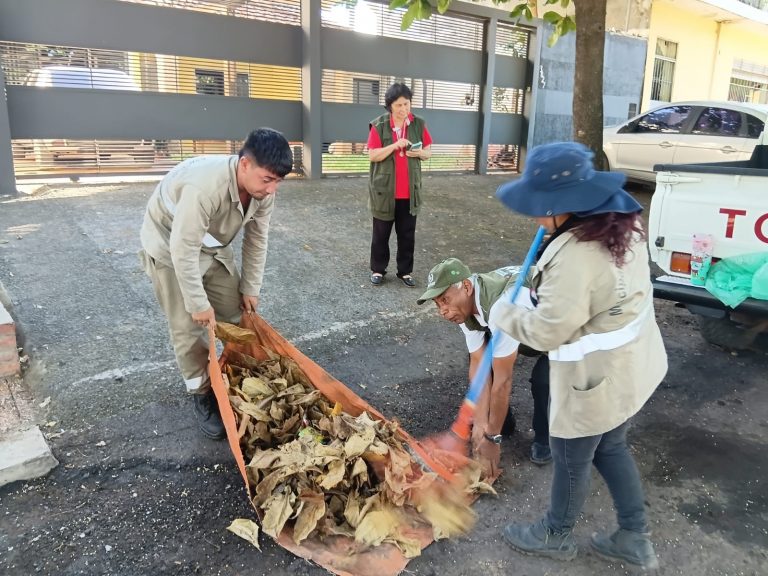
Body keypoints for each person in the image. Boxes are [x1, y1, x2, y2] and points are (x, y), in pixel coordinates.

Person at [494, 141, 667, 570]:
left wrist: (502, 310)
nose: (535, 215)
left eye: (541, 205)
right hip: (632, 364)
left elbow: (546, 330)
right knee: (612, 445)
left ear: (566, 203)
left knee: (571, 456)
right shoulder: (623, 224)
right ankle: (634, 535)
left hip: (595, 379)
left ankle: (555, 534)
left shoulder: (577, 256)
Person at [139, 128, 292, 440]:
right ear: (244, 164)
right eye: (267, 179)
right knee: (188, 326)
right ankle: (201, 391)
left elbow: (257, 238)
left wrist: (251, 286)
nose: (273, 189)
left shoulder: (262, 191)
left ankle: (244, 372)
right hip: (169, 247)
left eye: (278, 181)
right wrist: (197, 304)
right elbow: (182, 249)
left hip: (212, 245)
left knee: (235, 311)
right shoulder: (204, 188)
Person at [416, 258, 552, 477]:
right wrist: (480, 422)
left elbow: (503, 380)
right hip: (521, 328)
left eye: (445, 299)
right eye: (437, 304)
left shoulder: (502, 305)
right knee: (485, 359)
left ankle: (546, 439)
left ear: (466, 287)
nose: (443, 310)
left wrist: (492, 438)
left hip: (558, 334)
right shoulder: (464, 308)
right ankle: (501, 421)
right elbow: (479, 363)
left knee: (543, 382)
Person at [367, 82, 432, 288]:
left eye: (406, 104)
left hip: (409, 193)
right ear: (390, 107)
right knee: (381, 234)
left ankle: (405, 272)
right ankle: (378, 269)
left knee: (407, 235)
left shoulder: (418, 124)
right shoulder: (379, 125)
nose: (403, 109)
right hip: (384, 191)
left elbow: (428, 152)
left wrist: (419, 153)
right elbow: (373, 155)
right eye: (398, 105)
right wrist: (395, 145)